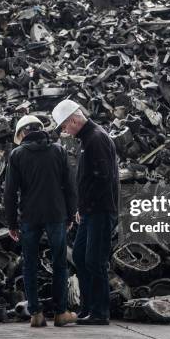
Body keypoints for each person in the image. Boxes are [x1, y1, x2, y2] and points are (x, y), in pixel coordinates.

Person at [4, 114, 78, 327]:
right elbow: (70, 186)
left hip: (30, 217)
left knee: (29, 265)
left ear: (23, 133)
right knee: (59, 264)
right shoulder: (58, 150)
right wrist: (71, 214)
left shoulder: (17, 155)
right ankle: (61, 313)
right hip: (56, 215)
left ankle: (36, 314)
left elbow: (10, 193)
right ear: (40, 129)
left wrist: (12, 223)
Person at [51, 100, 119, 325]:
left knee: (95, 260)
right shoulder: (87, 139)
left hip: (100, 210)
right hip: (89, 211)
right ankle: (87, 308)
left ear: (73, 120)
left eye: (64, 126)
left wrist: (85, 206)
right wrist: (81, 207)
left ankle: (100, 313)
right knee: (80, 256)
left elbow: (102, 178)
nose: (64, 131)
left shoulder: (96, 139)